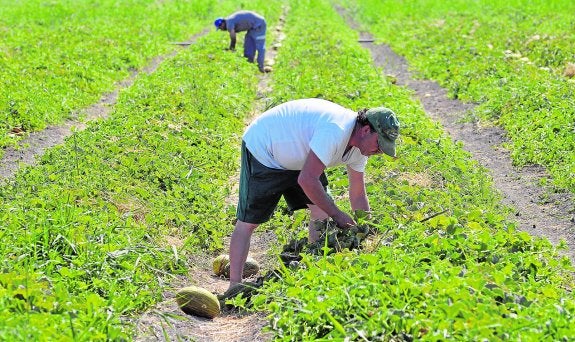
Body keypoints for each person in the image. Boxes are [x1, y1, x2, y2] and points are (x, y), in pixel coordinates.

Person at [228, 98, 400, 287]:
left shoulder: (361, 149)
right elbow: (307, 180)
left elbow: (357, 193)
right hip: (267, 149)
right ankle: (234, 285)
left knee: (321, 211)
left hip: (301, 157)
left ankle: (314, 267)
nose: (379, 151)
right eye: (379, 144)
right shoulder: (335, 131)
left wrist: (365, 227)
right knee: (249, 222)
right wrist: (338, 214)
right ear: (366, 130)